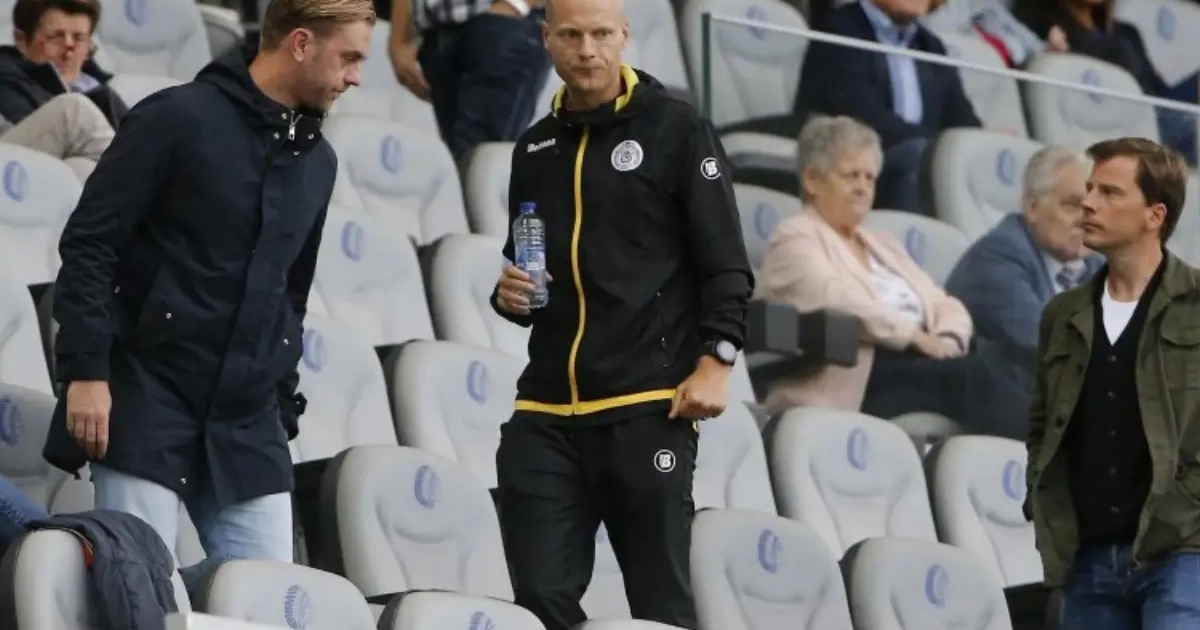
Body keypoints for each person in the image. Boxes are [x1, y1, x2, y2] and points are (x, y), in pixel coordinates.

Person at [43, 0, 373, 579]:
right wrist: (87, 371)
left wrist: (279, 407)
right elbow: (91, 246)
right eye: (348, 58)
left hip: (248, 422)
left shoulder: (318, 163)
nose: (356, 77)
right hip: (146, 394)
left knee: (268, 603)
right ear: (300, 44)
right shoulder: (175, 117)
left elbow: (290, 297)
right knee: (141, 589)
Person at [489, 0, 753, 627]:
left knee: (660, 608)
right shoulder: (534, 148)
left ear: (625, 36)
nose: (588, 50)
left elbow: (727, 265)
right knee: (539, 602)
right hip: (545, 412)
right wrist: (509, 296)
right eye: (571, 35)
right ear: (546, 39)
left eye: (602, 34)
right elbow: (527, 269)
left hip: (646, 407)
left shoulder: (677, 129)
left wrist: (717, 360)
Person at [756, 115, 1029, 439]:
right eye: (852, 175)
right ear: (813, 180)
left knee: (1024, 361)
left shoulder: (881, 243)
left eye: (870, 178)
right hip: (863, 375)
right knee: (980, 376)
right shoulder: (795, 237)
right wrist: (914, 336)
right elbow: (841, 302)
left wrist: (947, 339)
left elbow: (944, 302)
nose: (863, 188)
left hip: (923, 359)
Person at [1024, 137, 1199, 629]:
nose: (1089, 203)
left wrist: (1189, 505)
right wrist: (1042, 494)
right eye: (1089, 189)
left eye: (1109, 192)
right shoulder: (1062, 314)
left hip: (1185, 551)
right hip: (1089, 558)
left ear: (1154, 215)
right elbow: (1042, 424)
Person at [795, 0, 981, 216]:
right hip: (855, 165)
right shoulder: (839, 29)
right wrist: (942, 150)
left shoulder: (931, 46)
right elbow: (867, 119)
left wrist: (985, 142)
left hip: (918, 164)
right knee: (924, 160)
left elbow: (963, 121)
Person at [946, 145, 1103, 357]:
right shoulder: (996, 258)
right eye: (1072, 205)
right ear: (1032, 208)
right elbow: (1045, 344)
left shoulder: (1097, 263)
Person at [388, 0, 550, 160]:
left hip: (505, 27)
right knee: (457, 164)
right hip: (438, 29)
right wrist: (400, 37)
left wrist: (516, 5)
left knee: (479, 162)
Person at [0, 0, 126, 181]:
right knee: (73, 111)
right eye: (56, 37)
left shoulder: (102, 92)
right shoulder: (5, 73)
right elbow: (36, 132)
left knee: (82, 168)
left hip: (43, 182)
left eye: (79, 38)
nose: (68, 52)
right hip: (10, 167)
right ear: (20, 39)